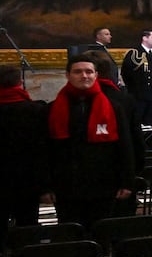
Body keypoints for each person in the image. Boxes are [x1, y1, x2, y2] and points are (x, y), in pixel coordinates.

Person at [43, 53, 136, 229]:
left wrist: (127, 181)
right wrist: (45, 186)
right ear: (68, 75)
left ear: (96, 75)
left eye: (89, 71)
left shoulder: (114, 107)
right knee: (70, 234)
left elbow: (125, 146)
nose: (84, 76)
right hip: (66, 185)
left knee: (101, 233)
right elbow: (45, 150)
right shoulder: (52, 109)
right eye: (78, 72)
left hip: (104, 184)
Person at [0, 65, 46, 231]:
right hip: (27, 179)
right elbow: (42, 148)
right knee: (27, 225)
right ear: (20, 82)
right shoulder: (35, 110)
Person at [120, 29, 152, 128]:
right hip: (137, 93)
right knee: (138, 120)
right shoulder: (134, 53)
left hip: (151, 92)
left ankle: (151, 142)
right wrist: (132, 88)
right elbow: (125, 73)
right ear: (144, 38)